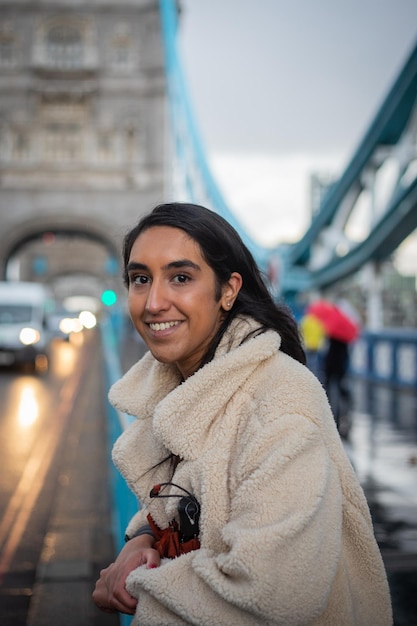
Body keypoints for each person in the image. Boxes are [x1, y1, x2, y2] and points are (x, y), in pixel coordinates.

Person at [93, 202, 392, 625]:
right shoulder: (192, 384)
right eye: (140, 279)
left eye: (181, 278)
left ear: (229, 290)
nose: (154, 302)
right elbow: (194, 492)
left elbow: (274, 591)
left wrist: (135, 586)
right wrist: (143, 535)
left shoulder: (277, 402)